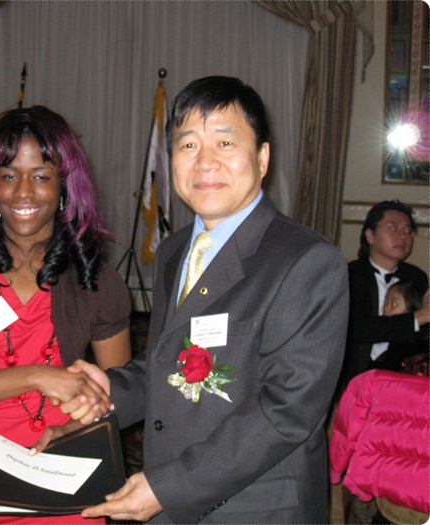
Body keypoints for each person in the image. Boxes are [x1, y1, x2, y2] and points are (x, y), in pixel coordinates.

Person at [57, 76, 350, 523]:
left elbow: (285, 411)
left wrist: (169, 487)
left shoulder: (307, 261)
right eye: (189, 145)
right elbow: (169, 359)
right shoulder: (175, 250)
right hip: (171, 493)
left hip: (255, 510)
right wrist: (109, 391)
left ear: (263, 158)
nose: (205, 162)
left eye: (225, 143)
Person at [0, 106, 132, 524]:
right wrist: (37, 375)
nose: (23, 193)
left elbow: (119, 394)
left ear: (64, 186)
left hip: (61, 478)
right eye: (9, 175)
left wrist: (72, 431)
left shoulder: (96, 281)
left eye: (41, 176)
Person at [341, 200, 429, 388]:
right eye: (393, 228)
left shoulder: (416, 276)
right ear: (370, 235)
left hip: (403, 376)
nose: (403, 236)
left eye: (408, 231)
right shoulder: (350, 275)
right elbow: (355, 328)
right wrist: (418, 317)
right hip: (355, 375)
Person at [374, 279, 429, 374]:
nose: (386, 309)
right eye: (386, 302)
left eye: (394, 304)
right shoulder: (396, 341)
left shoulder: (415, 352)